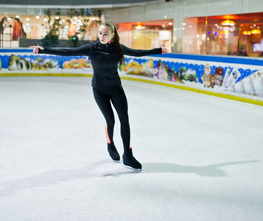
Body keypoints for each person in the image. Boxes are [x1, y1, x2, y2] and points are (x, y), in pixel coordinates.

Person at [31, 21, 166, 170]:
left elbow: (138, 52)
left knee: (124, 119)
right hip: (99, 90)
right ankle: (110, 144)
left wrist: (158, 50)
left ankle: (128, 155)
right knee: (111, 120)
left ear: (112, 35)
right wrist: (43, 51)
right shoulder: (92, 48)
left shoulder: (118, 48)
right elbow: (68, 52)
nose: (102, 36)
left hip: (116, 88)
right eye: (100, 33)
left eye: (106, 34)